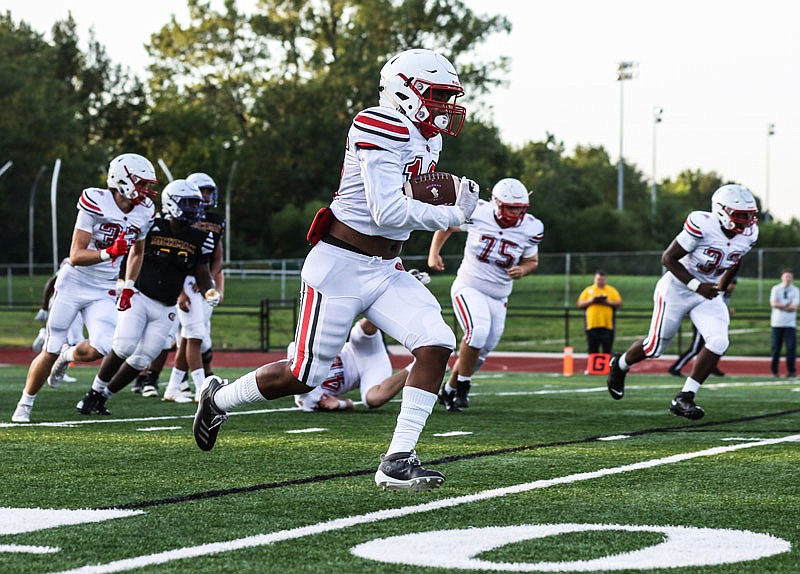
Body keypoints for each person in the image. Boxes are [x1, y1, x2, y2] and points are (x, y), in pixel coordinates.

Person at [193, 47, 480, 493]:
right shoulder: (376, 122)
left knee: (437, 342)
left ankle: (398, 459)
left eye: (449, 96)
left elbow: (406, 202)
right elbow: (385, 211)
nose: (446, 106)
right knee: (302, 375)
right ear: (406, 91)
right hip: (340, 266)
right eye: (438, 95)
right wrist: (451, 214)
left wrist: (450, 202)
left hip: (386, 268)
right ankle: (218, 398)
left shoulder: (430, 138)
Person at [11, 153, 157, 423]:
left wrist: (128, 286)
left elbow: (138, 252)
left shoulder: (145, 209)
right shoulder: (95, 200)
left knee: (103, 346)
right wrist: (109, 253)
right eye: (142, 183)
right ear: (123, 180)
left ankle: (67, 356)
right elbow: (76, 255)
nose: (147, 191)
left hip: (104, 288)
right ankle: (25, 403)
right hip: (74, 282)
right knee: (51, 346)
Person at [606, 184, 758, 420]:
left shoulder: (750, 234)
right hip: (677, 289)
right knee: (655, 348)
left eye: (750, 216)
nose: (747, 222)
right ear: (721, 211)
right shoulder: (702, 224)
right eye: (741, 216)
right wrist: (697, 286)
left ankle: (685, 396)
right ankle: (621, 364)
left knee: (719, 341)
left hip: (707, 293)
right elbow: (668, 258)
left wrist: (723, 285)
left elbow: (735, 260)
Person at [76, 179, 219, 416]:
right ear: (171, 204)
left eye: (196, 203)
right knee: (123, 347)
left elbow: (202, 271)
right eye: (189, 203)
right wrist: (124, 282)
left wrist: (209, 290)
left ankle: (102, 396)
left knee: (142, 359)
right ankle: (94, 391)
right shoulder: (151, 224)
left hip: (167, 306)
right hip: (140, 296)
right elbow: (133, 252)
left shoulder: (201, 237)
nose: (196, 209)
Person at [427, 178, 543, 411]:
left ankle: (449, 390)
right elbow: (448, 225)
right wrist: (434, 253)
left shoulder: (532, 227)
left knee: (481, 351)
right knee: (477, 332)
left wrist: (524, 269)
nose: (516, 213)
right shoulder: (478, 211)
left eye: (520, 208)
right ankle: (463, 387)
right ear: (497, 203)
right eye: (511, 207)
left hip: (500, 296)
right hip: (470, 286)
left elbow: (532, 260)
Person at [161, 172, 226, 402]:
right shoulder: (175, 223)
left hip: (201, 282)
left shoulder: (215, 222)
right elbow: (171, 262)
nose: (203, 200)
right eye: (200, 195)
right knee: (195, 337)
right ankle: (201, 388)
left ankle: (172, 387)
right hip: (186, 282)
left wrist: (211, 282)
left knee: (190, 337)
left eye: (207, 193)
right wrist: (179, 290)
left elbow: (216, 258)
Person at [293, 318, 412, 412]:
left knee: (361, 331)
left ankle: (389, 299)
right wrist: (340, 404)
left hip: (358, 348)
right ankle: (417, 366)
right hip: (369, 372)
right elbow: (350, 404)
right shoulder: (308, 401)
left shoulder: (295, 352)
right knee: (372, 400)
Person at [668, 278, 737, 377]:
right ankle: (675, 367)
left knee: (720, 344)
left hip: (713, 323)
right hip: (702, 321)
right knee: (695, 348)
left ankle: (711, 366)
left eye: (734, 284)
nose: (732, 286)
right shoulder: (714, 290)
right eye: (731, 283)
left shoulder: (727, 294)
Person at [31, 264, 84, 385]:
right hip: (67, 303)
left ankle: (45, 336)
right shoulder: (73, 261)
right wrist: (44, 308)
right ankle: (60, 371)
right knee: (69, 341)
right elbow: (51, 283)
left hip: (75, 303)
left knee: (74, 341)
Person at [577, 270, 623, 356]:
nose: (600, 281)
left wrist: (607, 302)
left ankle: (606, 368)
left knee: (607, 350)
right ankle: (592, 369)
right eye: (598, 279)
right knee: (592, 350)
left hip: (607, 326)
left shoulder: (611, 290)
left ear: (605, 280)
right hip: (592, 325)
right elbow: (580, 303)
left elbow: (619, 303)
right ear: (595, 279)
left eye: (602, 280)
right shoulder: (588, 290)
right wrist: (592, 300)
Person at [769, 269, 798, 377]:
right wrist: (786, 306)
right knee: (776, 349)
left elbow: (794, 307)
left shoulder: (795, 290)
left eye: (790, 276)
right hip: (777, 323)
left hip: (790, 324)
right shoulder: (776, 289)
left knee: (791, 348)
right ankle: (774, 371)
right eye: (786, 276)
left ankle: (791, 371)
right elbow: (773, 304)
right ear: (782, 277)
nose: (788, 279)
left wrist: (781, 305)